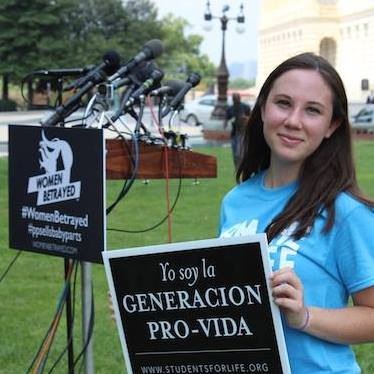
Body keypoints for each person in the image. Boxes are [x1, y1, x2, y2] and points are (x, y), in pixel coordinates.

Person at [219, 52, 374, 373]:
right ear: (263, 108)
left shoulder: (345, 212)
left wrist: (304, 316)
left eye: (313, 110)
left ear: (332, 125)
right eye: (283, 103)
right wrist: (145, 307)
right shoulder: (234, 202)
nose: (293, 120)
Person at [224, 93, 251, 169]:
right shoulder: (230, 108)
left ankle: (242, 167)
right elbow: (226, 118)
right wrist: (226, 123)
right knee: (235, 152)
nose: (235, 101)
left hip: (243, 132)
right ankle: (237, 167)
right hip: (234, 132)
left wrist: (244, 118)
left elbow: (251, 118)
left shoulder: (245, 107)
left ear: (239, 99)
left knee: (240, 152)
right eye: (234, 99)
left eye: (236, 99)